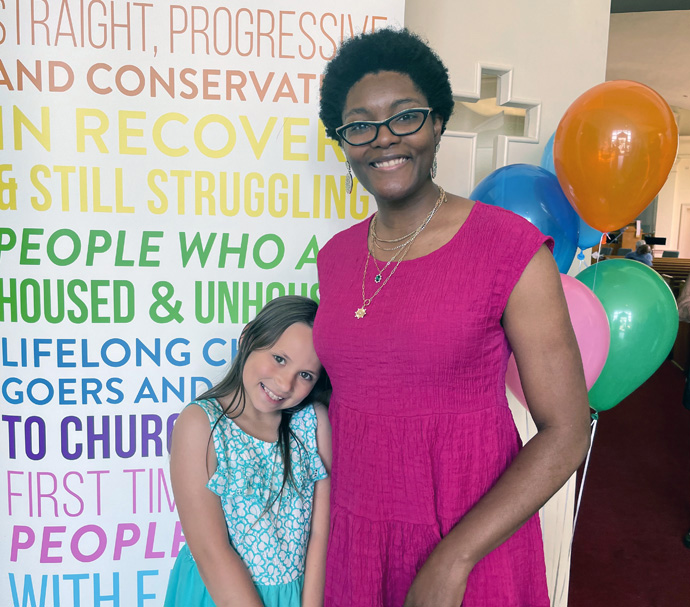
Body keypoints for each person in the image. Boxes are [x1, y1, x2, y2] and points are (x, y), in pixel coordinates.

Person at [314, 28, 591, 607]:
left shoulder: (506, 246)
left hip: (469, 539)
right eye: (360, 125)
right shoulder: (335, 257)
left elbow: (565, 434)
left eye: (405, 117)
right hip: (359, 539)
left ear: (438, 122)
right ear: (343, 142)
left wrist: (454, 559)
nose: (384, 139)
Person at [164, 296, 332, 607]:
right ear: (248, 339)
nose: (284, 383)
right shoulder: (200, 424)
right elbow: (211, 551)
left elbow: (320, 534)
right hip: (219, 593)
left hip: (296, 595)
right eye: (280, 358)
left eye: (306, 375)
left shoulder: (313, 422)